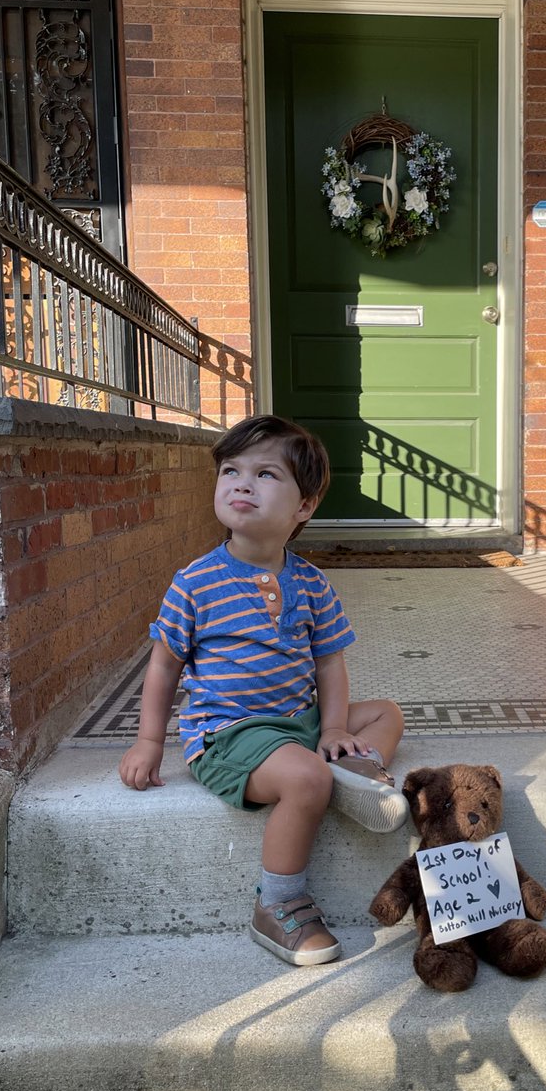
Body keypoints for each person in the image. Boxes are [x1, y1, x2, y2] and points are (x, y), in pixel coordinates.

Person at [119, 414, 407, 967]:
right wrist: (150, 741)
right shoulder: (195, 583)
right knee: (303, 776)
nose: (241, 483)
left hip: (296, 719)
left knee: (386, 713)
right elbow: (163, 668)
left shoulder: (311, 582)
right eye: (231, 471)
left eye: (266, 473)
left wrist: (334, 727)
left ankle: (352, 772)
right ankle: (277, 905)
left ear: (304, 507)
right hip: (228, 734)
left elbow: (330, 664)